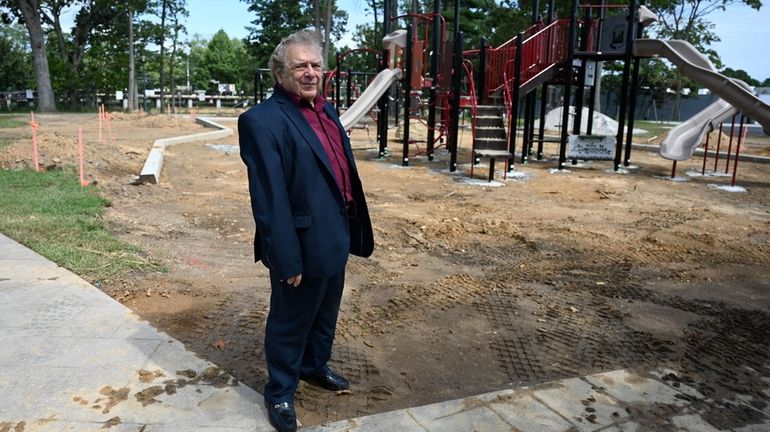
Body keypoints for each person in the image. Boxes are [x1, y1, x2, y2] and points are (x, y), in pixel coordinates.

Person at [238, 30, 374, 432]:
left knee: (325, 311)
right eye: (301, 66)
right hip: (299, 241)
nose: (311, 72)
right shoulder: (260, 121)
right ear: (280, 72)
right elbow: (269, 197)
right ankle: (280, 390)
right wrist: (285, 257)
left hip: (337, 233)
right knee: (290, 319)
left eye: (316, 65)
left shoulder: (327, 111)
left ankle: (314, 365)